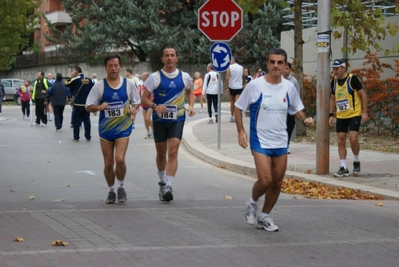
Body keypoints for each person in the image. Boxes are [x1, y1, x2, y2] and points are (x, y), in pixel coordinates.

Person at [234, 48, 314, 232]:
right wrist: (240, 131)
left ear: (286, 65)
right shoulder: (255, 85)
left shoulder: (289, 87)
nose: (276, 66)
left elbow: (295, 109)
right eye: (273, 62)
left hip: (281, 140)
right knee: (265, 180)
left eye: (280, 63)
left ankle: (264, 216)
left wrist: (304, 119)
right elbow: (239, 107)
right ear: (267, 64)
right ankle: (252, 203)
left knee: (277, 182)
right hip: (260, 140)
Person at [141, 46, 195, 203]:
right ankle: (162, 182)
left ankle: (169, 186)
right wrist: (154, 106)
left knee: (173, 151)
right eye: (167, 55)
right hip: (159, 120)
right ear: (162, 59)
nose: (170, 58)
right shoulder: (154, 77)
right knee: (161, 153)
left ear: (177, 58)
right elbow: (144, 98)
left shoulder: (184, 77)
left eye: (172, 55)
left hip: (177, 119)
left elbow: (190, 91)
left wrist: (191, 106)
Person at [86, 54, 140, 204]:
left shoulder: (128, 84)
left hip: (123, 128)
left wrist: (134, 109)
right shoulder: (99, 86)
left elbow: (137, 101)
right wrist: (99, 107)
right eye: (110, 65)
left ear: (120, 67)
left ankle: (121, 186)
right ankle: (111, 190)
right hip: (106, 130)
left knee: (120, 159)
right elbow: (88, 106)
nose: (113, 68)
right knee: (109, 163)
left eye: (116, 65)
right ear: (106, 68)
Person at [329, 59, 368, 177]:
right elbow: (332, 98)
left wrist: (365, 112)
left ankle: (356, 160)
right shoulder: (334, 82)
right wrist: (331, 115)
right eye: (333, 69)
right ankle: (343, 166)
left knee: (353, 138)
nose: (334, 71)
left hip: (354, 113)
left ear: (343, 68)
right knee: (340, 139)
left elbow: (363, 94)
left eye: (337, 68)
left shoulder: (352, 79)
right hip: (341, 115)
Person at [67, 66, 94, 142]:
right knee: (87, 120)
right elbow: (93, 89)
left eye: (72, 71)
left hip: (78, 104)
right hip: (86, 104)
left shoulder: (75, 79)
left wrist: (71, 77)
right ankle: (88, 137)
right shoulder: (89, 79)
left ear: (76, 72)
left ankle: (76, 137)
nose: (72, 73)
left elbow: (67, 83)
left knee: (76, 121)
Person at [283, 62, 300, 154]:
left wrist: (297, 107)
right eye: (284, 68)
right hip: (280, 109)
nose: (285, 71)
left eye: (287, 69)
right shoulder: (278, 80)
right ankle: (282, 144)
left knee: (290, 126)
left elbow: (297, 94)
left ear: (290, 70)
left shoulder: (294, 81)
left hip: (290, 109)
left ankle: (287, 144)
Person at [225, 56, 244, 122]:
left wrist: (227, 86)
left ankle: (232, 116)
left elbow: (227, 77)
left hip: (231, 86)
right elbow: (243, 76)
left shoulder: (229, 67)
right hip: (239, 86)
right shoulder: (241, 67)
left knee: (232, 102)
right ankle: (238, 116)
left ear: (233, 60)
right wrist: (242, 84)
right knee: (237, 102)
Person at [140, 72, 153, 139]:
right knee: (145, 119)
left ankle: (153, 130)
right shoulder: (142, 84)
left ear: (147, 77)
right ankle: (148, 132)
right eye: (141, 76)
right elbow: (141, 94)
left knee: (148, 118)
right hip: (143, 104)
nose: (142, 77)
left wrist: (151, 101)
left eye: (143, 76)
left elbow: (153, 94)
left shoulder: (151, 84)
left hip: (150, 104)